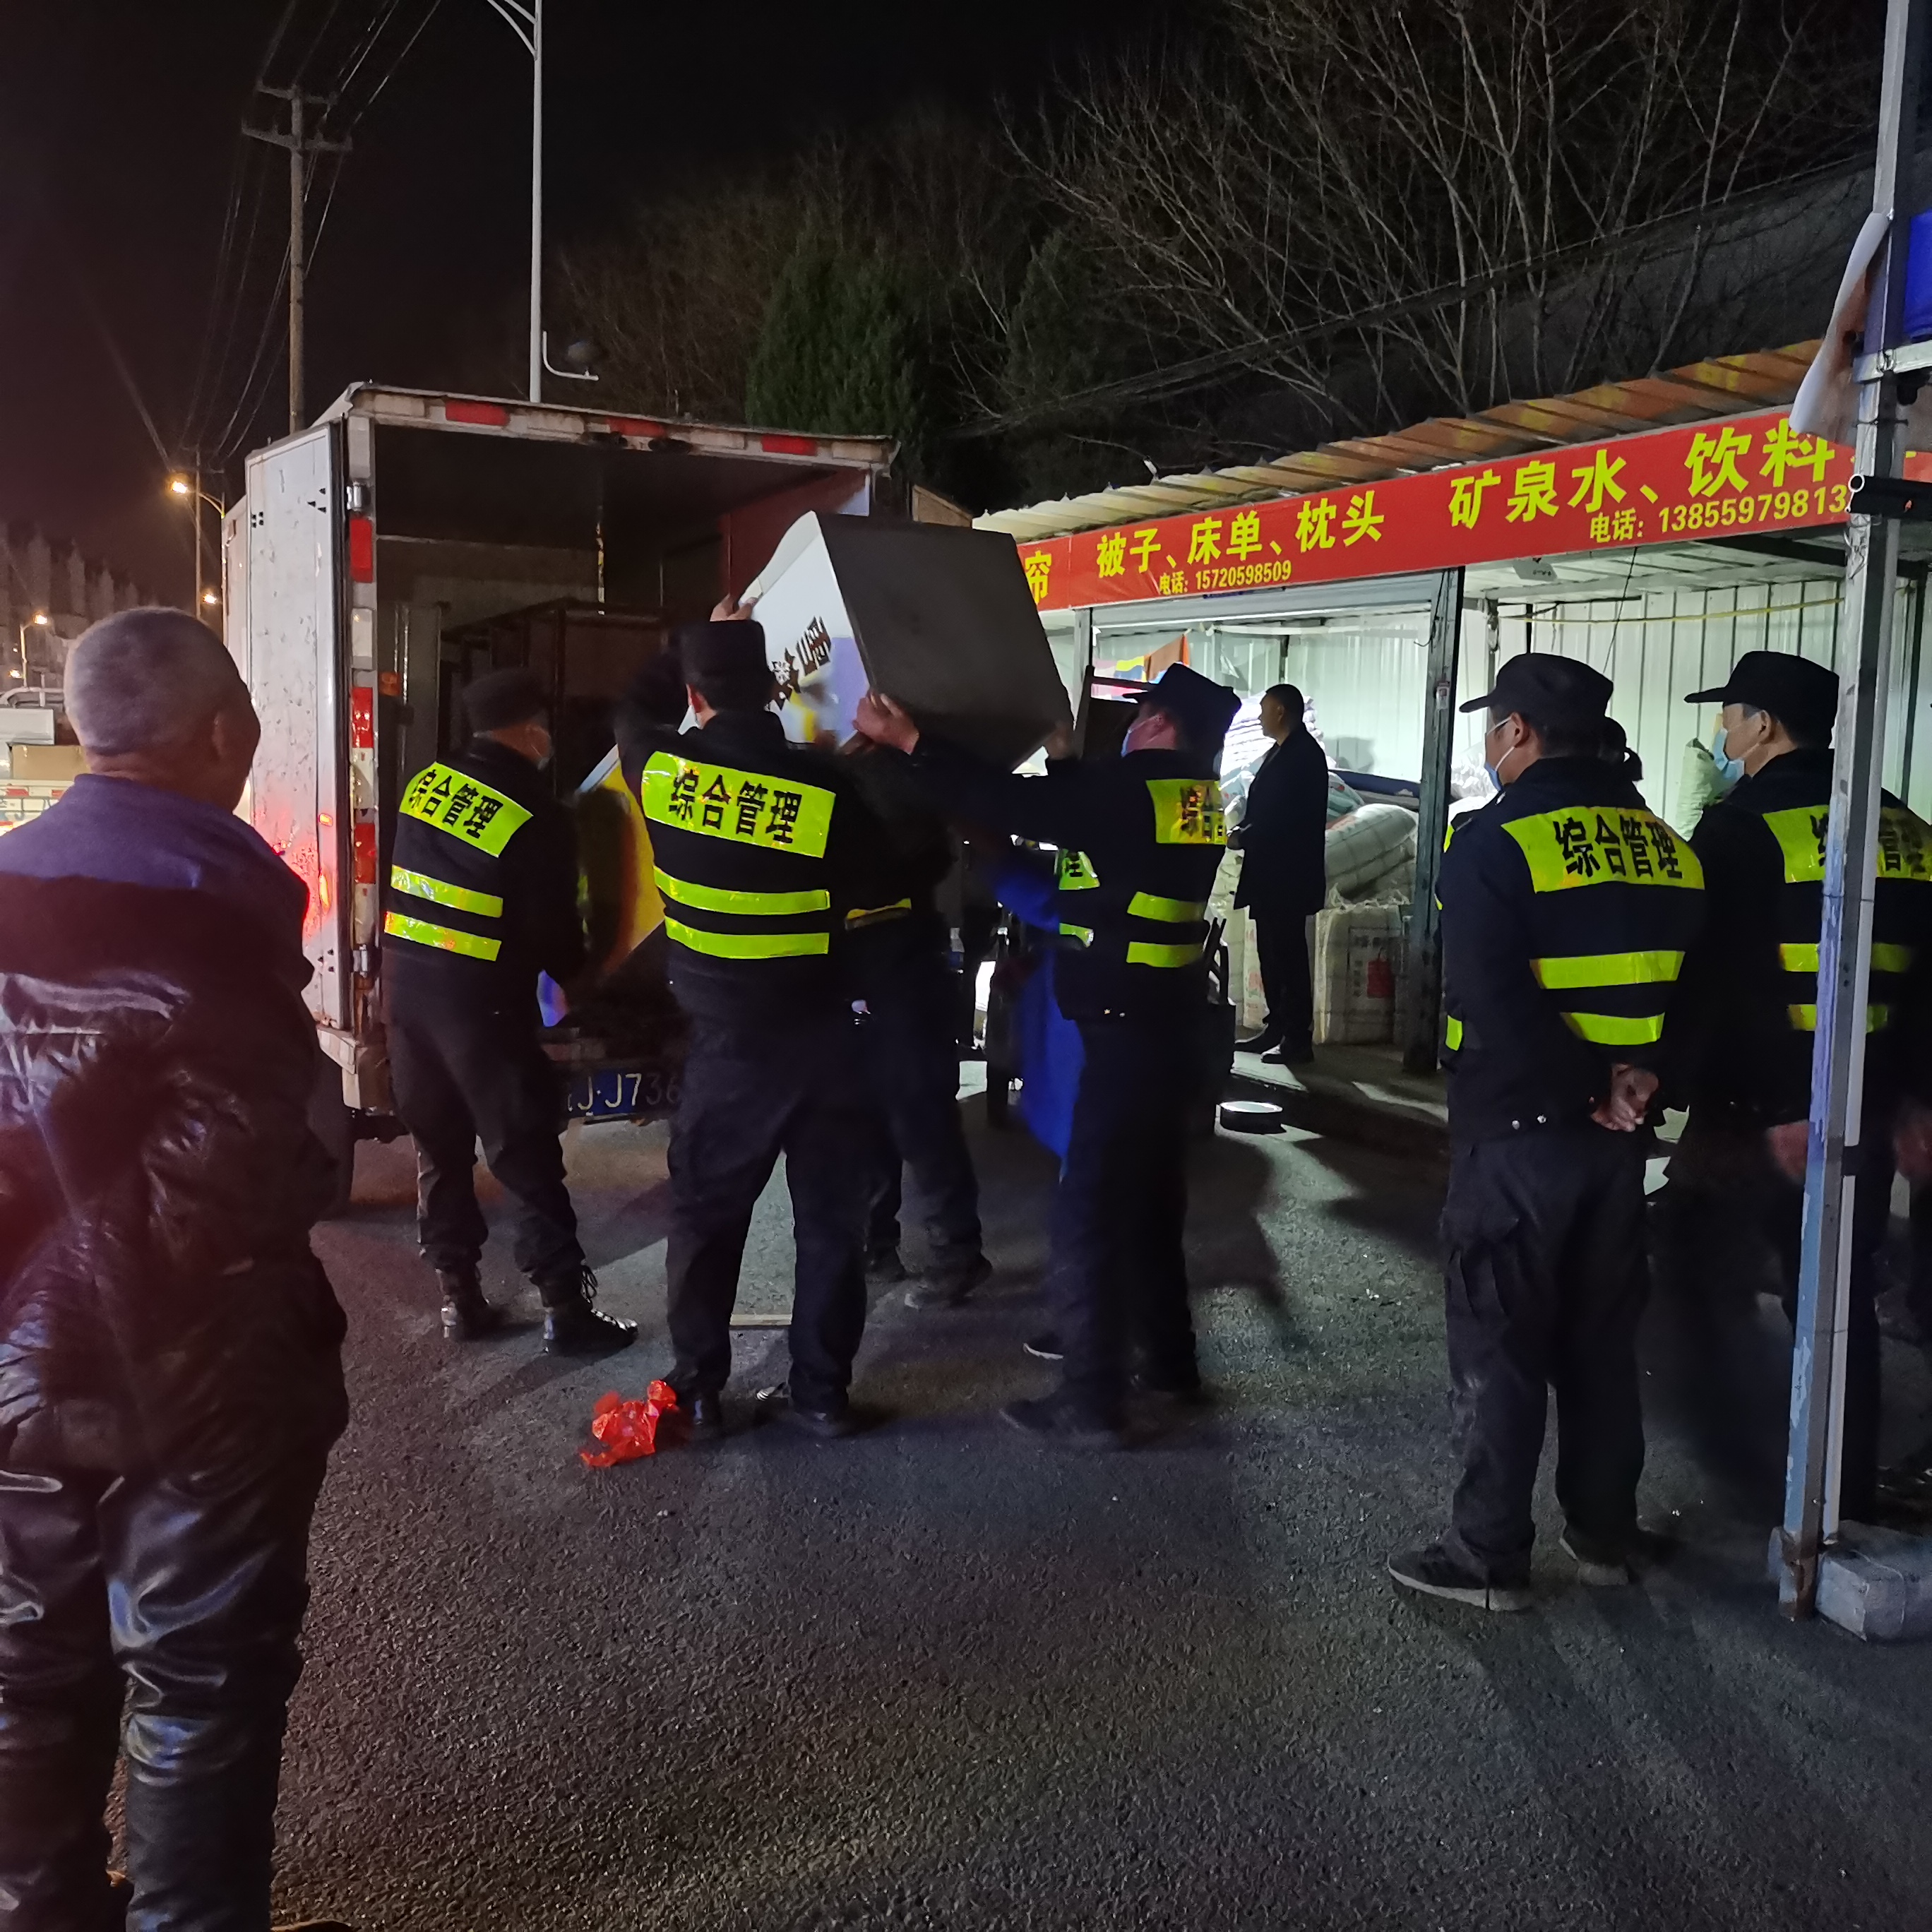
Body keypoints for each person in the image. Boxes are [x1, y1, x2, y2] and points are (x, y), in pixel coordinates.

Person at [0, 609, 351, 1931]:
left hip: (8, 1362)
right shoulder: (217, 904)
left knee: (24, 1661)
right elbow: (253, 1175)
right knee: (200, 1676)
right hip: (192, 1365)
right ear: (222, 734)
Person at [1388, 655, 1705, 1611]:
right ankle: (1605, 1533)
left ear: (1518, 732)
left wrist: (1584, 1087)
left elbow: (1490, 996)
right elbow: (1698, 990)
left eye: (1494, 727)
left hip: (1521, 1137)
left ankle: (1488, 1555)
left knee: (1502, 1340)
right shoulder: (1667, 846)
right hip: (1621, 1141)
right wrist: (1643, 1079)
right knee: (1601, 1340)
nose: (1490, 743)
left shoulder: (1494, 842)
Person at [857, 662, 1240, 1448]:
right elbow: (1096, 835)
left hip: (1123, 1031)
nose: (1129, 730)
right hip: (1168, 1026)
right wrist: (1065, 760)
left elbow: (1019, 804)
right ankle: (1170, 1364)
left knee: (1088, 1215)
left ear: (1160, 724)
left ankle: (1091, 1403)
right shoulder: (1196, 799)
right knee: (1151, 1205)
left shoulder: (1132, 790)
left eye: (1139, 716)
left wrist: (912, 740)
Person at [1664, 650, 1932, 1521]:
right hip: (1871, 1110)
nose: (1723, 730)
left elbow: (1720, 980)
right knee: (1839, 1293)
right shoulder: (1906, 826)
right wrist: (1913, 1099)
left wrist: (1677, 1084)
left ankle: (1752, 1466)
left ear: (1766, 726)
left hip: (1761, 1113)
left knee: (1698, 1270)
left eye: (1731, 714)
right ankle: (1840, 1485)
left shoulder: (1741, 828)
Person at [643, 612, 890, 1440]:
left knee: (706, 1220)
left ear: (694, 698)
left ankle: (699, 1391)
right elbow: (877, 897)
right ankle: (821, 1395)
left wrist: (697, 636)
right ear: (773, 691)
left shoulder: (663, 772)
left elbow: (632, 712)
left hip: (729, 1049)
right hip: (829, 1040)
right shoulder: (829, 790)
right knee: (830, 1227)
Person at [383, 667, 634, 1354]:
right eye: (544, 726)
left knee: (439, 1151)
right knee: (524, 1153)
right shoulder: (534, 814)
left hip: (408, 999)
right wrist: (589, 971)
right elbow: (555, 935)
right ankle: (565, 1311)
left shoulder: (426, 785)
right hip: (481, 1010)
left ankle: (460, 1300)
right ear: (528, 730)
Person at [841, 744, 991, 1310]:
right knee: (877, 1120)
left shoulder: (879, 799)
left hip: (897, 976)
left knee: (918, 1121)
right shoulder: (896, 800)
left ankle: (956, 1255)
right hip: (890, 973)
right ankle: (879, 1247)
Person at [1232, 682, 1328, 1062]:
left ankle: (1297, 1039)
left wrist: (1244, 837)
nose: (1259, 717)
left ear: (1280, 712)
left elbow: (1285, 818)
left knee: (1288, 957)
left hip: (1287, 876)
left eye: (1264, 710)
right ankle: (1277, 1027)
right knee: (1271, 955)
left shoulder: (1303, 756)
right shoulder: (1281, 752)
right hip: (1269, 875)